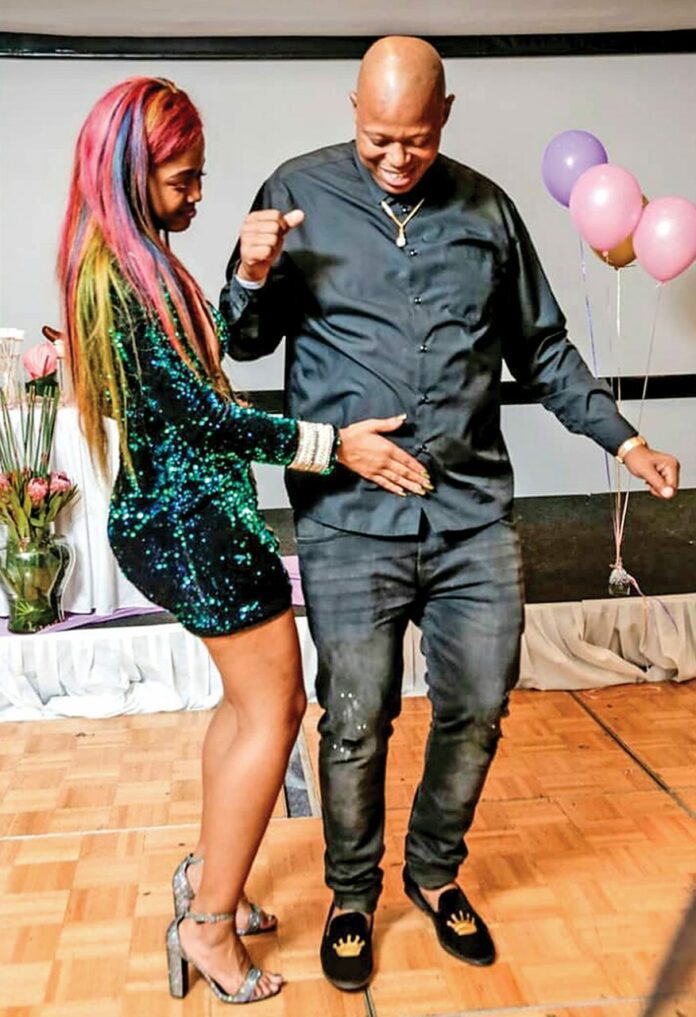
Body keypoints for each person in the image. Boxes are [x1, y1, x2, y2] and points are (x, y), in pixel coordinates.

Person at [220, 37, 681, 991]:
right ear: (353, 109)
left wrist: (626, 440)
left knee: (477, 705)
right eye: (379, 138)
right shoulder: (296, 191)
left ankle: (433, 871)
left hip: (471, 513)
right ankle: (352, 893)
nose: (397, 157)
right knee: (357, 719)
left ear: (447, 115)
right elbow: (246, 339)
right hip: (349, 516)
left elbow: (542, 351)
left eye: (417, 139)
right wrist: (251, 273)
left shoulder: (486, 210)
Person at [57, 75, 429, 1005]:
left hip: (193, 518)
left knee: (246, 708)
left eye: (199, 176)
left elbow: (201, 358)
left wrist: (251, 276)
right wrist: (332, 445)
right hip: (195, 528)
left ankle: (207, 873)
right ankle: (209, 923)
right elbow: (204, 412)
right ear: (129, 175)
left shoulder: (137, 262)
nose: (197, 196)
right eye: (180, 180)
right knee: (276, 710)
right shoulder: (116, 278)